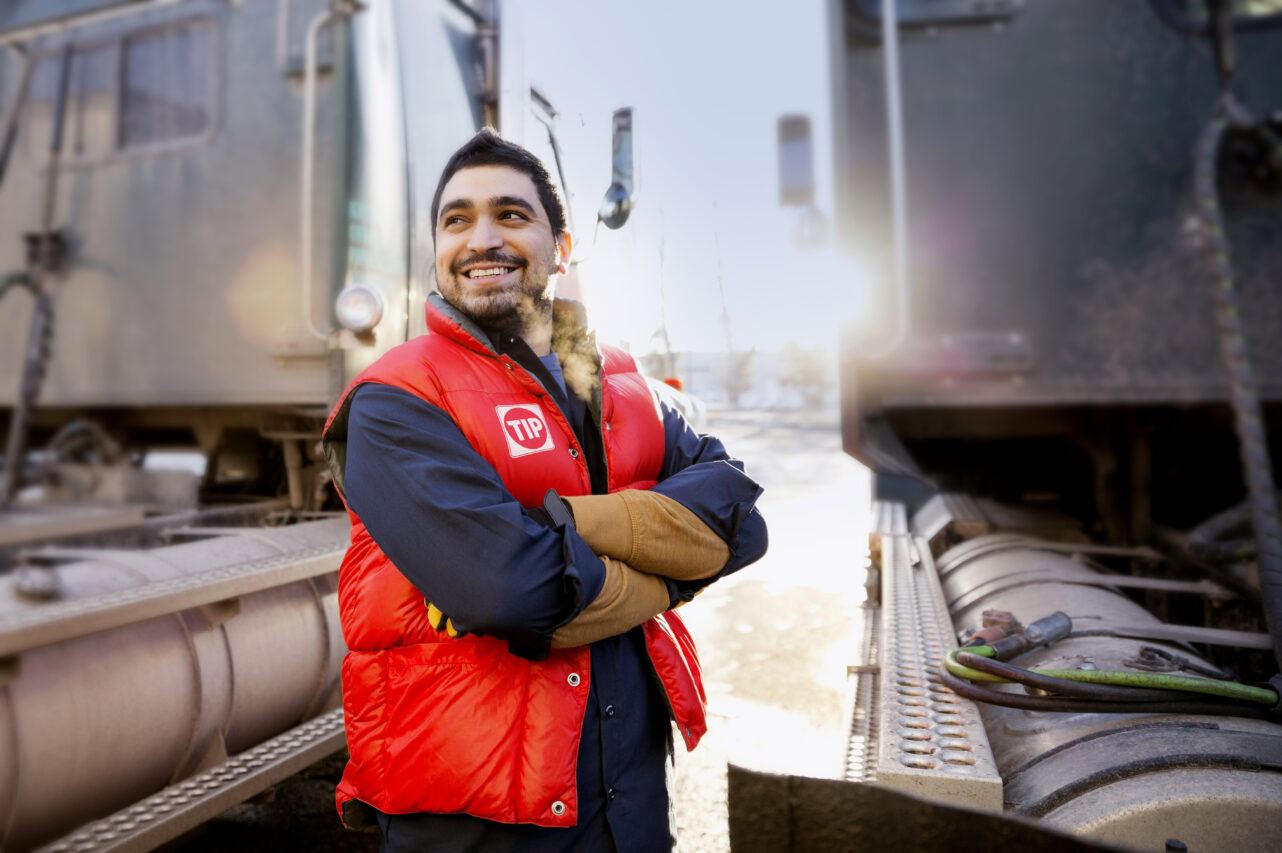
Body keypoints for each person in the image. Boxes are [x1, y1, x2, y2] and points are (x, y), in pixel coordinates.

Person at [320, 128, 767, 852]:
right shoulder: (398, 397)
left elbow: (743, 525)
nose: (481, 237)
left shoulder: (624, 384)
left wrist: (564, 525)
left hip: (629, 801)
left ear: (561, 249)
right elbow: (513, 592)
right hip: (479, 818)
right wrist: (674, 566)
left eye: (510, 214)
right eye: (456, 220)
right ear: (436, 252)